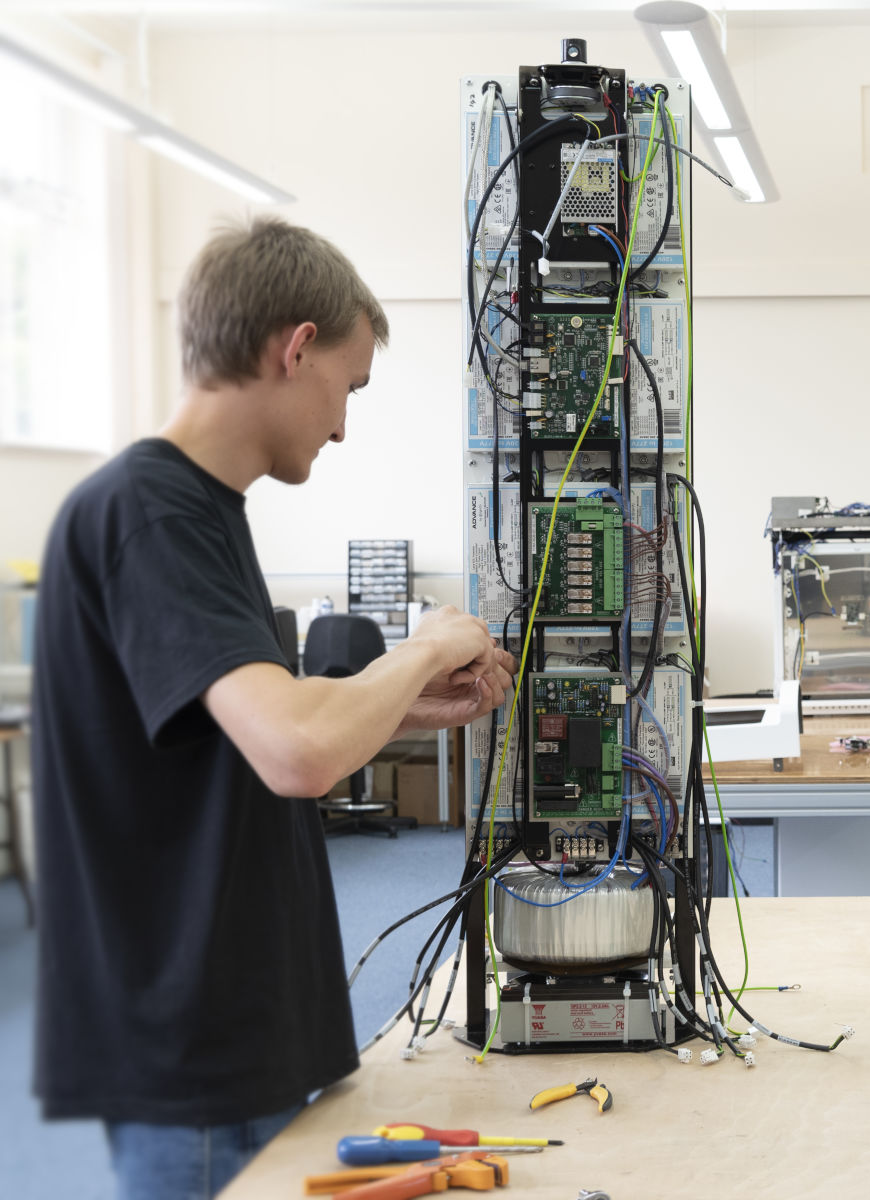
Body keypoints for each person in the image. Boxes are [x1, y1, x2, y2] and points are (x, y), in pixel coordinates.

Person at [31, 216, 515, 1200]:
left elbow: (248, 726)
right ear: (296, 350)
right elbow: (297, 752)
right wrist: (423, 645)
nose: (343, 425)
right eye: (349, 387)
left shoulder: (197, 511)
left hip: (237, 1029)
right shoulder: (150, 512)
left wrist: (404, 708)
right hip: (198, 1054)